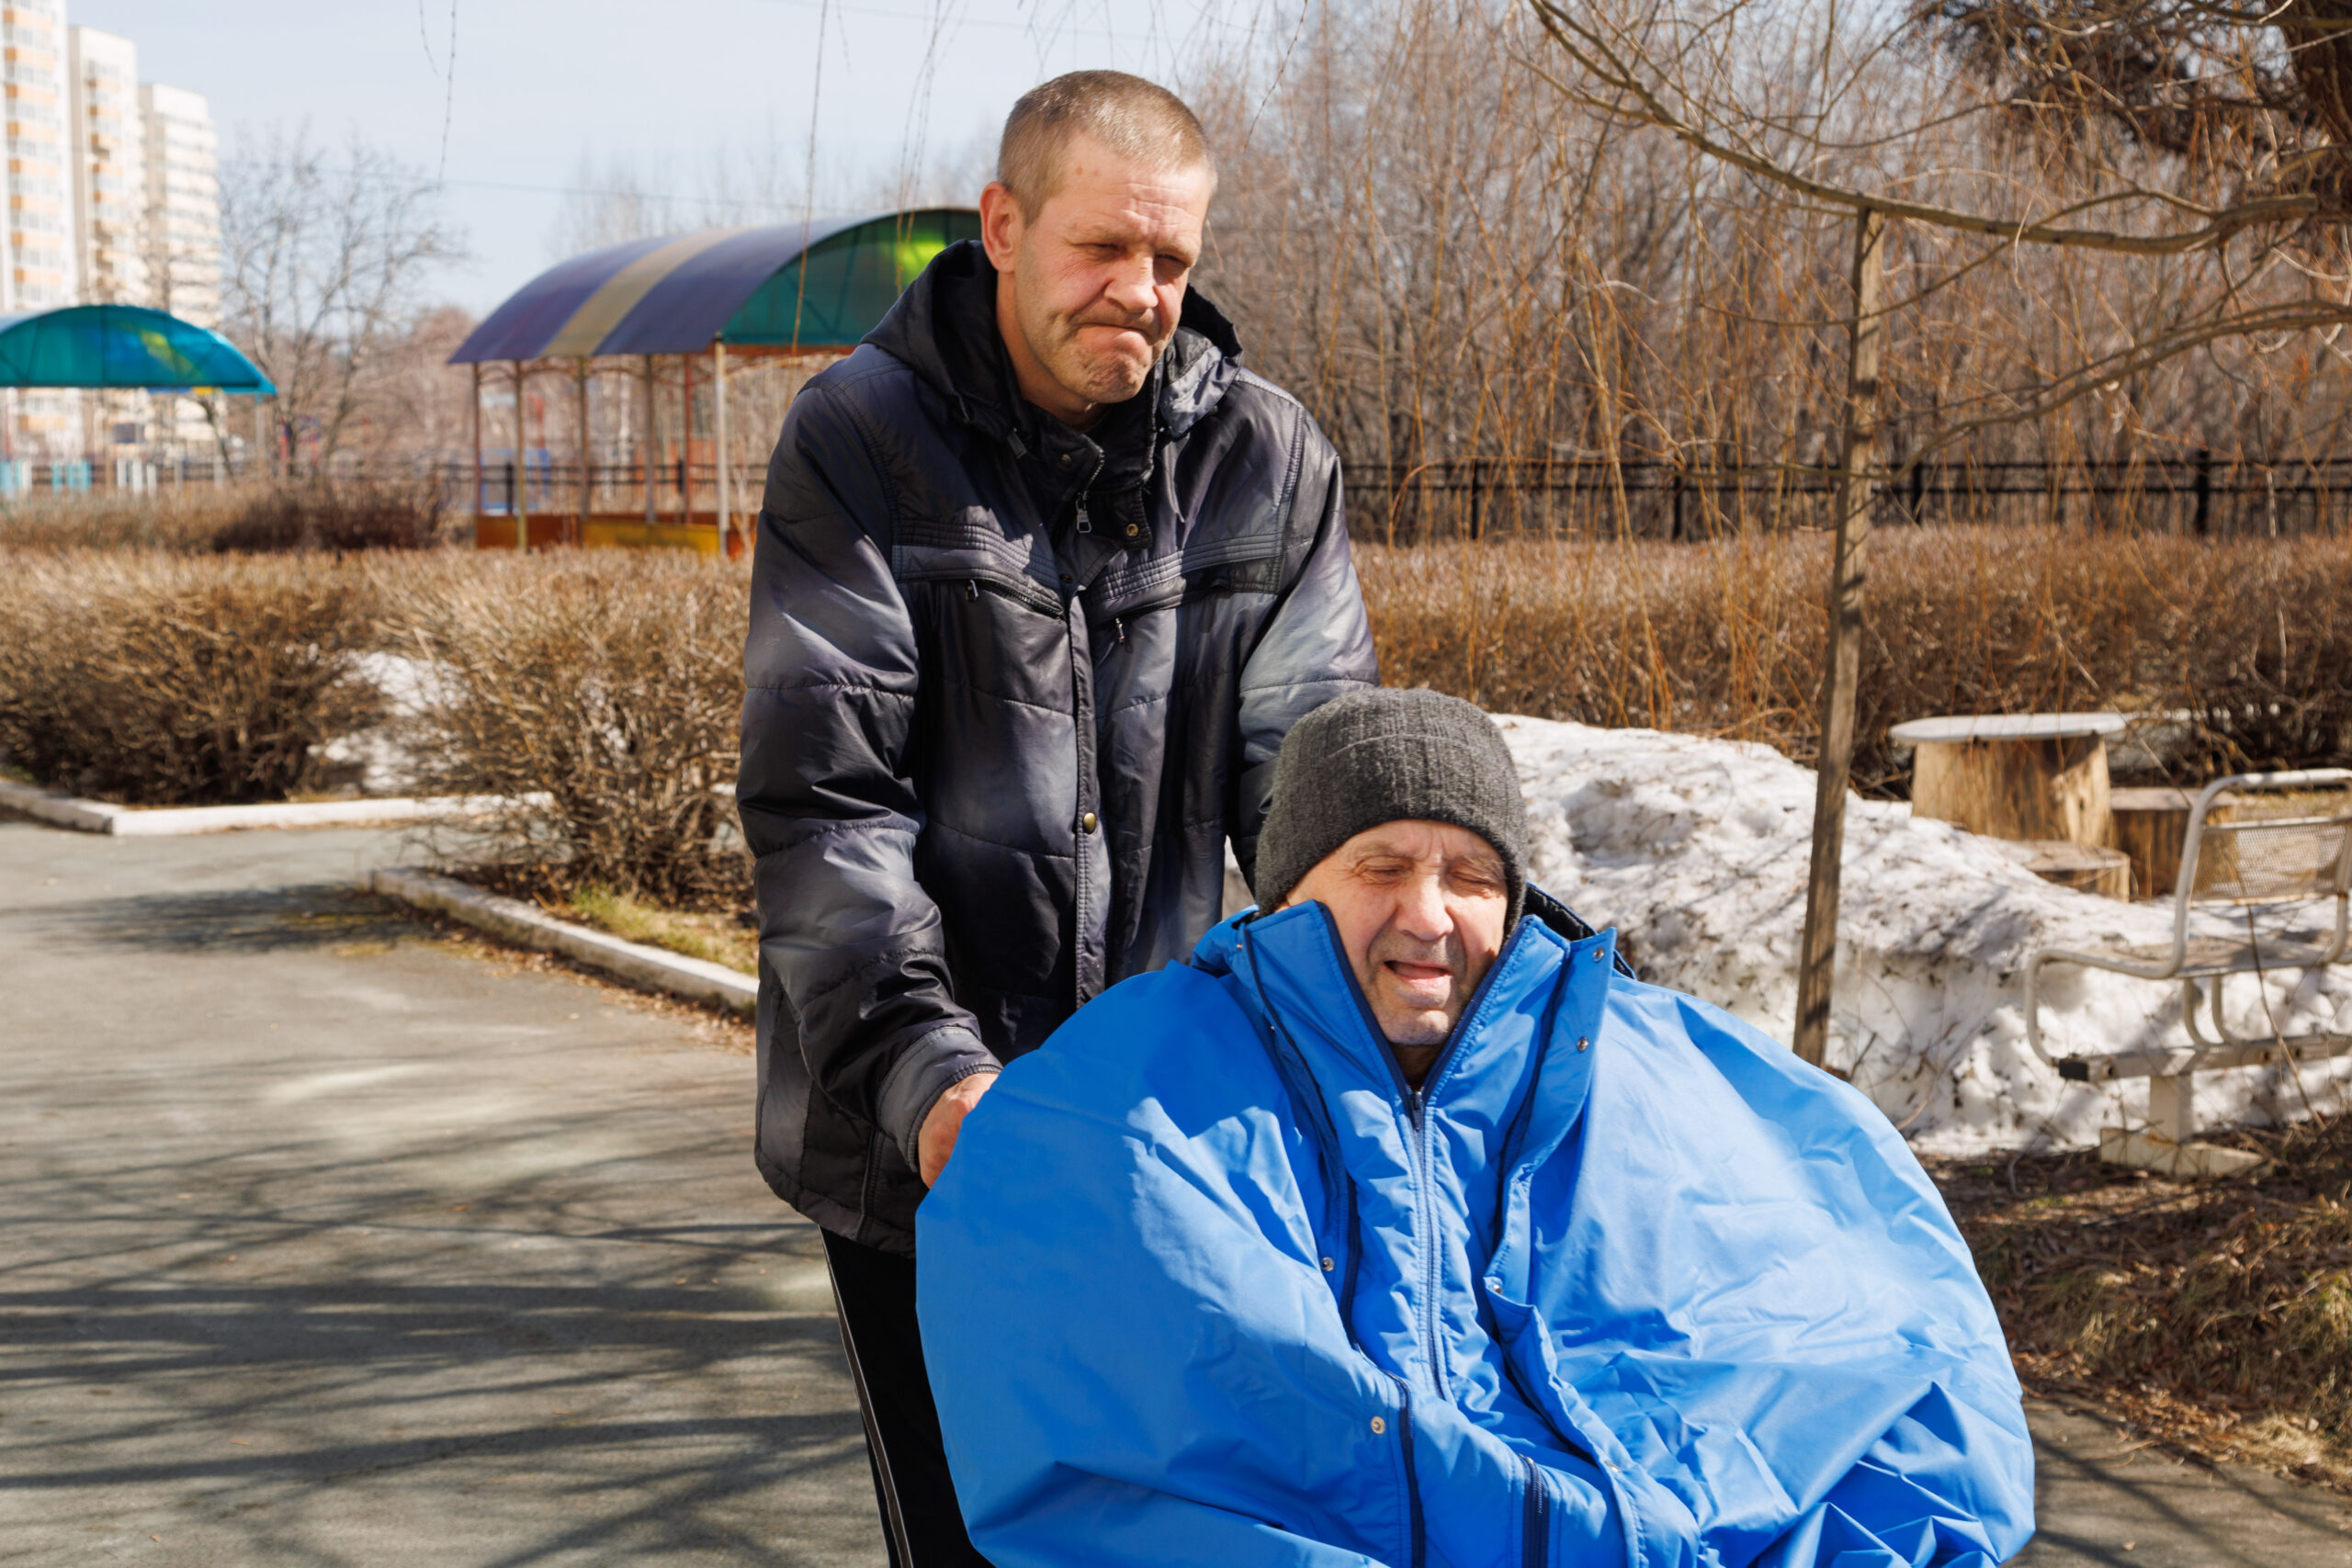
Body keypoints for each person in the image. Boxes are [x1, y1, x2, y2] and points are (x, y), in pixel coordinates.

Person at [916, 688, 2036, 1567]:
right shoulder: (1142, 1091)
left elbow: (1898, 1352)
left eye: (1471, 876)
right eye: (1382, 867)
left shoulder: (1660, 1072)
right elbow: (1106, 1464)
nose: (1428, 915)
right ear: (1288, 888)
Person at [736, 70, 1377, 1566]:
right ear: (1004, 227)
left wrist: (1376, 999)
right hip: (919, 1142)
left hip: (1169, 1130)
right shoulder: (859, 440)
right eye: (1104, 251)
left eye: (1172, 262)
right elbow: (827, 802)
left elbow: (1316, 791)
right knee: (978, 1538)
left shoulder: (1266, 465)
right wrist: (934, 1083)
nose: (1140, 295)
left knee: (1179, 1536)